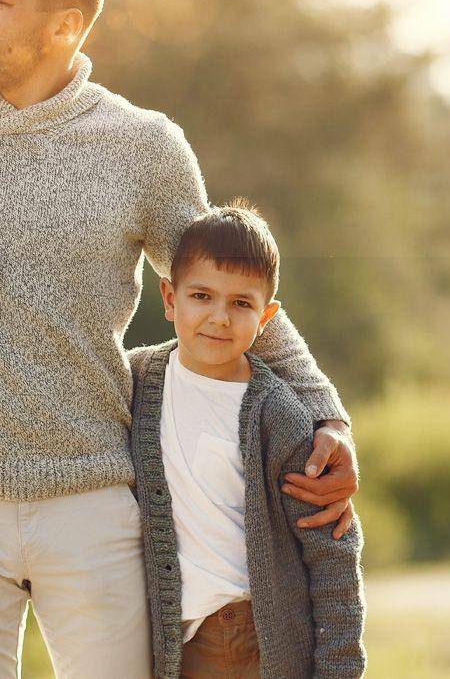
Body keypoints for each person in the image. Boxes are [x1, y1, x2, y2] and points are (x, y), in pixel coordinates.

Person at [0, 0, 361, 677]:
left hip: (93, 499)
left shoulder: (144, 147)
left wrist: (327, 416)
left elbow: (229, 292)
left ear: (64, 25)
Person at [129, 203, 365, 678]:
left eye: (241, 303)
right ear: (170, 299)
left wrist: (339, 667)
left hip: (250, 636)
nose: (219, 317)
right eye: (201, 296)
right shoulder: (136, 381)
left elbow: (332, 546)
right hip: (172, 637)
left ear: (267, 316)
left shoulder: (277, 414)